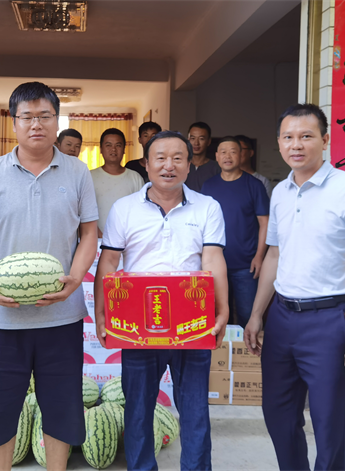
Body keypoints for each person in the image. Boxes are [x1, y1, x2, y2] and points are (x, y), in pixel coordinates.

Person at [0, 82, 98, 471]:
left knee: (61, 403)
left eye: (45, 116)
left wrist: (75, 276)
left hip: (62, 314)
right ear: (15, 121)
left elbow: (89, 232)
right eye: (27, 117)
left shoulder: (77, 172)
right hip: (4, 316)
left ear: (57, 120)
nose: (36, 124)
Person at [244, 104, 345, 471]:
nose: (297, 145)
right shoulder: (281, 193)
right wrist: (258, 315)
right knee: (278, 414)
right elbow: (274, 255)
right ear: (278, 143)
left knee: (329, 423)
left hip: (331, 321)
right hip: (282, 319)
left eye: (306, 136)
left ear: (325, 140)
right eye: (288, 137)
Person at [95, 131, 229, 471]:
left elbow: (212, 260)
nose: (168, 166)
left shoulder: (208, 206)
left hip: (191, 324)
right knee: (138, 409)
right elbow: (108, 263)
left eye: (177, 158)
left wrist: (222, 309)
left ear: (189, 165)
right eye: (160, 158)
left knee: (196, 410)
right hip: (138, 327)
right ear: (146, 163)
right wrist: (101, 312)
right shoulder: (124, 209)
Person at [201, 136, 269, 328]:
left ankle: (248, 357)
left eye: (233, 151)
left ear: (241, 155)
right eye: (223, 152)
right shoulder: (208, 186)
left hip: (246, 266)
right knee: (216, 317)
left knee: (248, 315)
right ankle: (219, 357)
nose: (227, 156)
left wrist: (259, 256)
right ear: (216, 156)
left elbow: (265, 223)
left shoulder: (254, 186)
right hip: (214, 264)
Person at [90, 128, 144, 237]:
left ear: (124, 149)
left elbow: (142, 212)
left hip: (128, 241)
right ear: (101, 149)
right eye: (108, 145)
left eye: (118, 145)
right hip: (96, 241)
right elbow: (83, 212)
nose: (113, 149)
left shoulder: (135, 178)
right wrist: (99, 235)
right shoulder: (89, 177)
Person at [184, 122, 220, 193]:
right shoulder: (181, 165)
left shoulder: (217, 168)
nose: (196, 143)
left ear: (209, 141)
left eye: (201, 139)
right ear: (188, 140)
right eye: (193, 138)